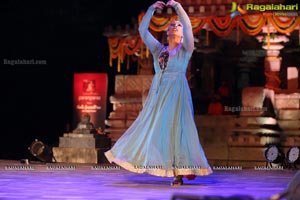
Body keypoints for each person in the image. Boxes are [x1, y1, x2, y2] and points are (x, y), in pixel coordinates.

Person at [105, 0, 212, 185]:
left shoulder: (185, 50)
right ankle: (142, 160)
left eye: (177, 25)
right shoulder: (158, 51)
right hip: (159, 92)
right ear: (166, 32)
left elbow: (188, 27)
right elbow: (142, 31)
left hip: (177, 91)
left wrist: (178, 7)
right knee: (151, 128)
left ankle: (179, 172)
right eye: (172, 24)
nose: (175, 25)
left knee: (177, 130)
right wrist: (151, 9)